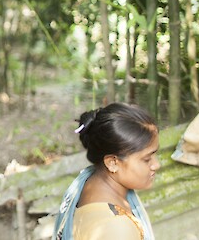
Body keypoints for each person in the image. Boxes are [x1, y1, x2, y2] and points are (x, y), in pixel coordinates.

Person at [52, 102, 160, 240]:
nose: (156, 165)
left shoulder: (89, 184)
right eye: (146, 159)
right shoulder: (117, 229)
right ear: (113, 163)